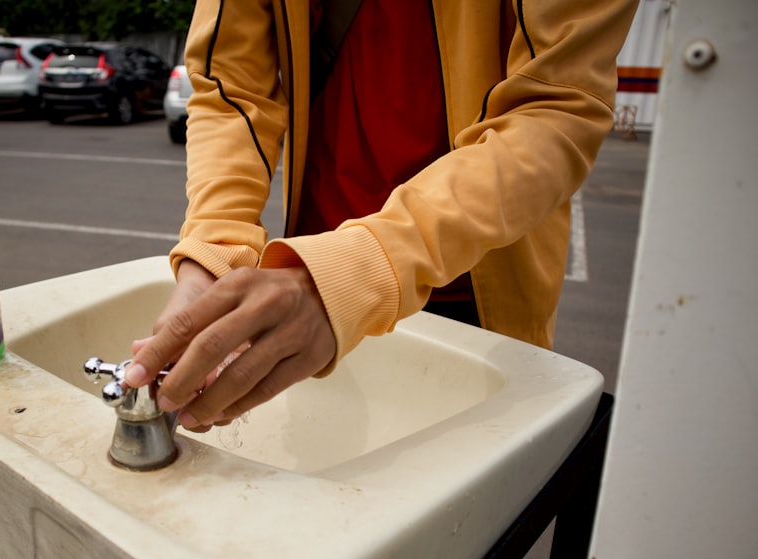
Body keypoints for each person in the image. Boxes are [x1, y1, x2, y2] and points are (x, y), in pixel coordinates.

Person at [124, 0, 638, 431]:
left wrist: (354, 274)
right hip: (302, 289)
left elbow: (558, 106)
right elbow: (231, 85)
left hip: (472, 286)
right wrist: (213, 254)